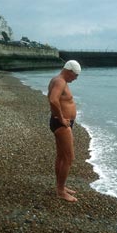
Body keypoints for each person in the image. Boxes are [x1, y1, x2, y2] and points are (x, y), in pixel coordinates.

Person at [48, 60, 81, 202]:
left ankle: (60, 186)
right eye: (75, 75)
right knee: (69, 158)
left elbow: (57, 100)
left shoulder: (60, 81)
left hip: (60, 122)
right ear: (68, 71)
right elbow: (53, 100)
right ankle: (61, 191)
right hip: (61, 124)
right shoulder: (60, 81)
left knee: (61, 156)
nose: (76, 78)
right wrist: (61, 118)